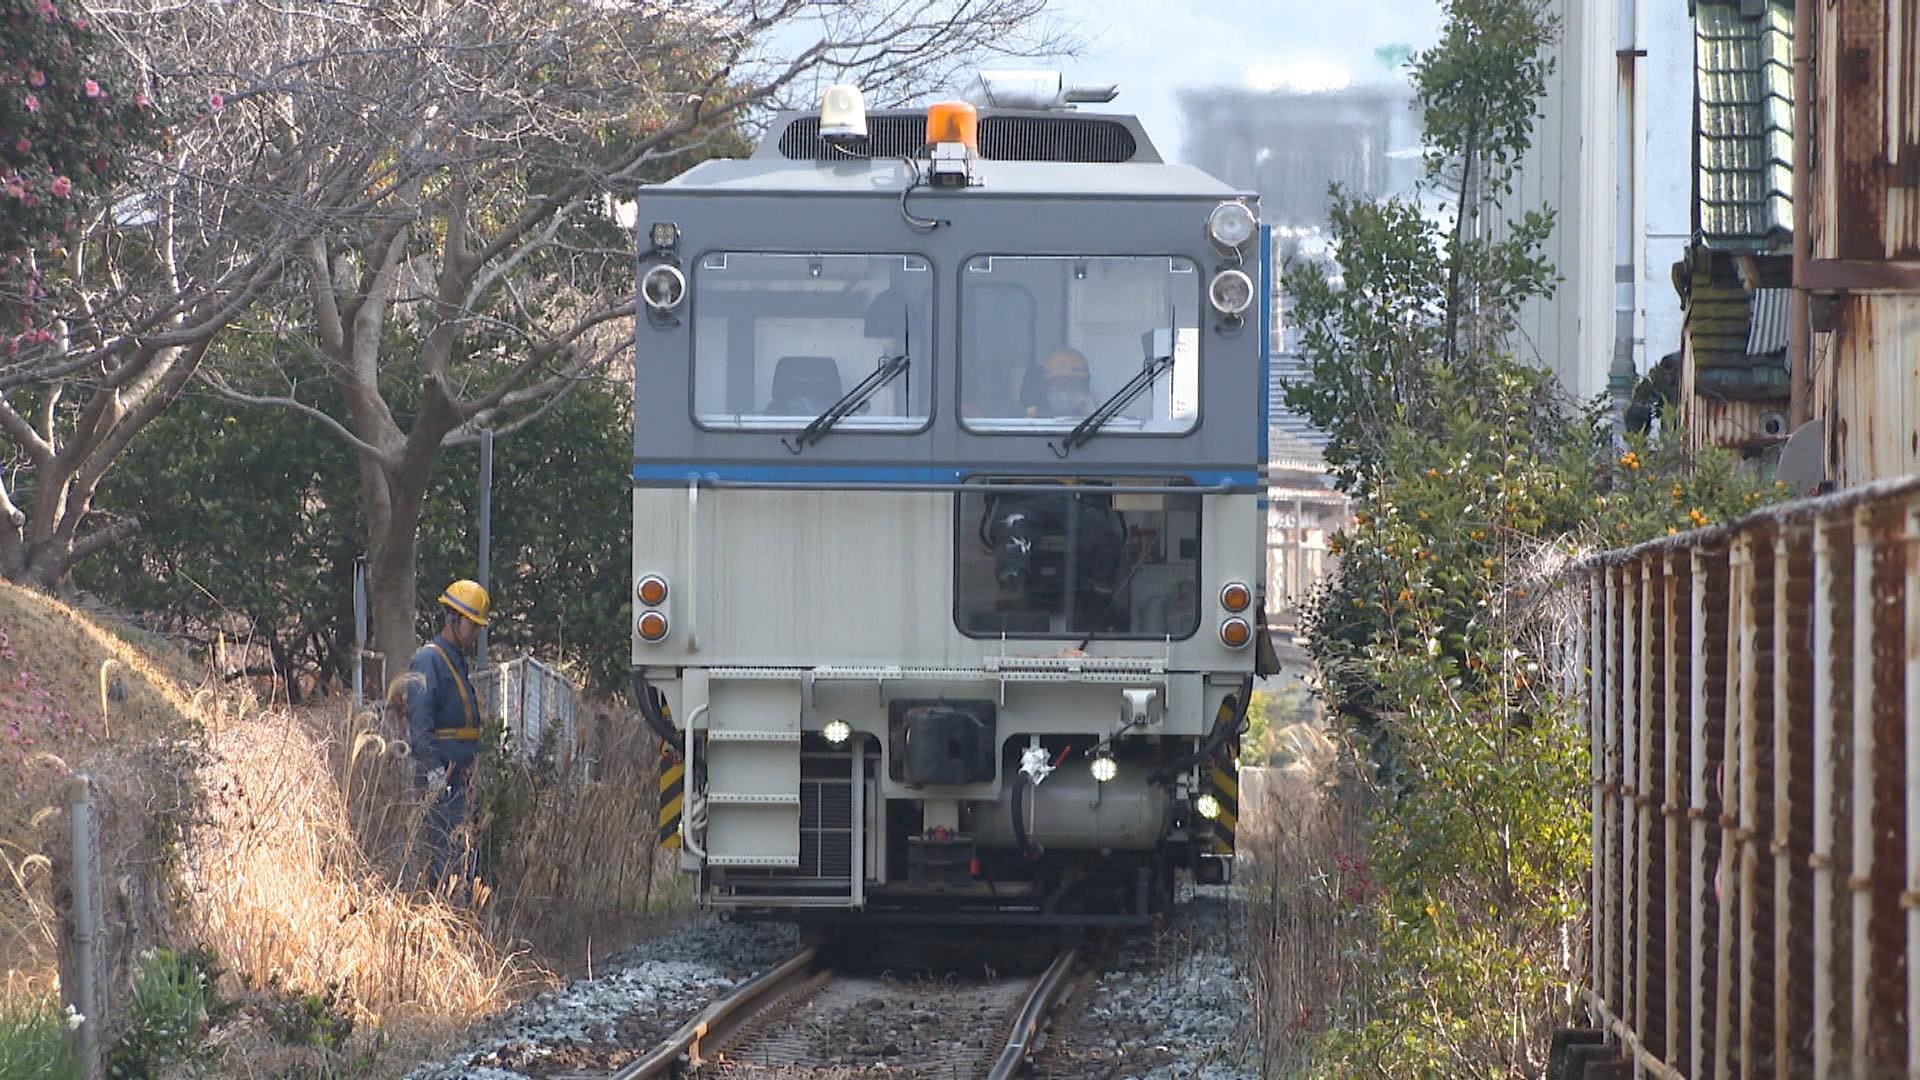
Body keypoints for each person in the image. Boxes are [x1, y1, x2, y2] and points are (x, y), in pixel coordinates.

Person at [407, 578, 489, 895]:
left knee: (465, 861)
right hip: (444, 780)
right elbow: (420, 726)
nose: (477, 632)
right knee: (447, 861)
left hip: (462, 779)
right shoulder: (429, 660)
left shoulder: (454, 659)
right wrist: (434, 775)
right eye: (473, 624)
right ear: (453, 618)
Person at [1026, 346, 1094, 418]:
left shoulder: (1092, 411)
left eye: (1072, 385)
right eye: (1057, 386)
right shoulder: (1036, 414)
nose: (1064, 392)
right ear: (1045, 388)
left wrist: (1091, 414)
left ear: (1084, 385)